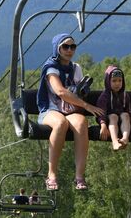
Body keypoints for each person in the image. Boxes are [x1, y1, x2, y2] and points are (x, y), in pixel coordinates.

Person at [36, 33, 104, 191]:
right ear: (57, 48)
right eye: (65, 46)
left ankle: (79, 176)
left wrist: (82, 91)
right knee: (60, 123)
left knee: (81, 123)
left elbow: (76, 92)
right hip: (50, 110)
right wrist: (87, 106)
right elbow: (60, 91)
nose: (69, 50)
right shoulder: (51, 68)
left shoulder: (75, 68)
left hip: (70, 110)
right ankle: (51, 174)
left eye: (72, 46)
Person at [96, 66, 131, 150]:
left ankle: (125, 138)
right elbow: (101, 112)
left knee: (126, 115)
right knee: (113, 116)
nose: (117, 83)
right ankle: (115, 142)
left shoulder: (124, 95)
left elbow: (128, 110)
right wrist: (103, 125)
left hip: (122, 120)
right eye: (114, 81)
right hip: (108, 120)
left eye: (120, 81)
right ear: (108, 82)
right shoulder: (104, 96)